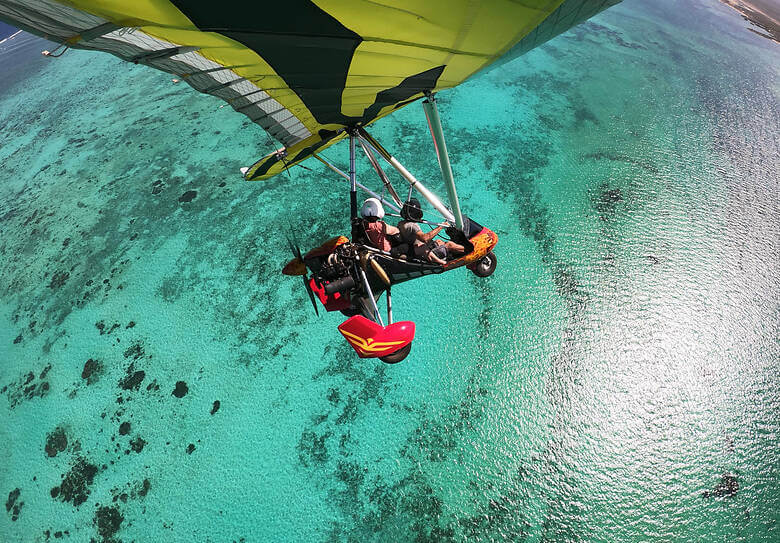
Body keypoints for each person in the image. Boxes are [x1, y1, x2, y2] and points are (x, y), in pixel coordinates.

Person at [395, 198, 464, 265]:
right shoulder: (412, 226)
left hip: (418, 249)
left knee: (439, 241)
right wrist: (441, 226)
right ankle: (469, 250)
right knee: (449, 244)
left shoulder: (401, 223)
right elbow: (425, 238)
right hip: (424, 254)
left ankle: (459, 249)